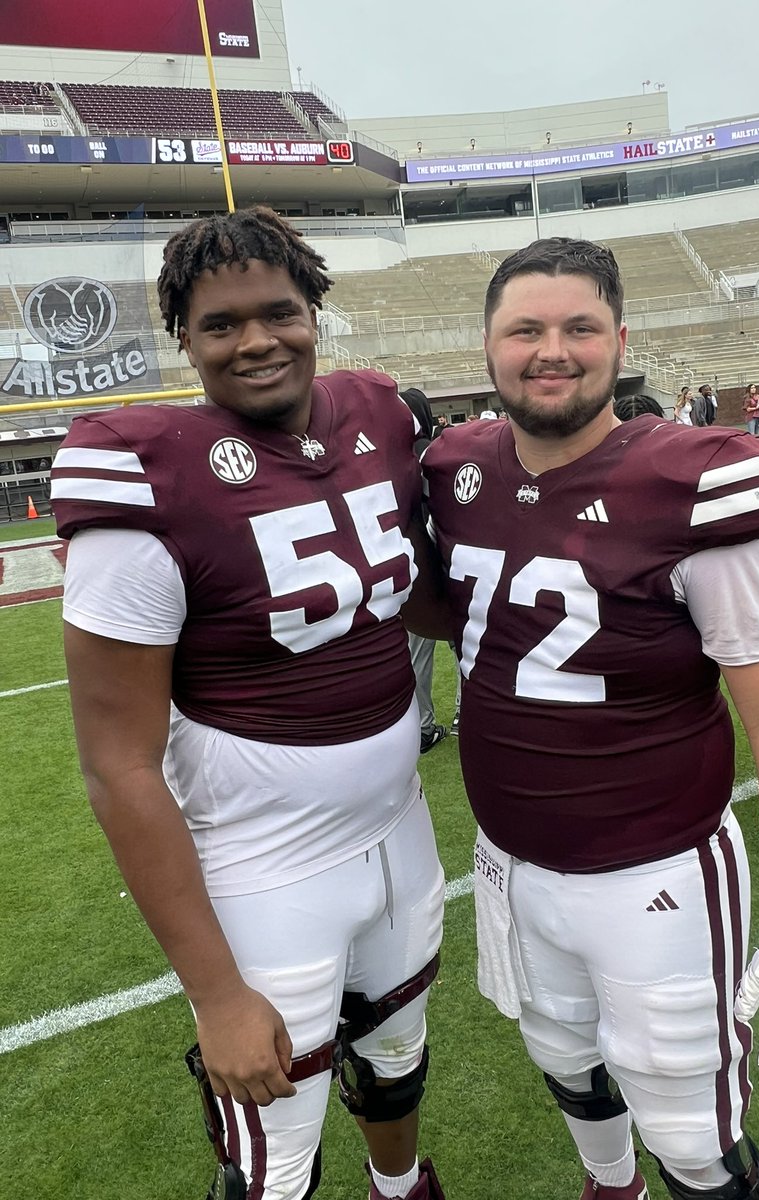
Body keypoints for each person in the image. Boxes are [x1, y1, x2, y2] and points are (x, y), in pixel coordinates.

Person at [423, 238, 759, 1200]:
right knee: (565, 1060)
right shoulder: (456, 468)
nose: (551, 350)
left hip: (657, 868)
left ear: (621, 339)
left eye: (579, 327)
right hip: (511, 860)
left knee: (692, 1137)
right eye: (524, 329)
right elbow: (456, 608)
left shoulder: (696, 479)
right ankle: (609, 1187)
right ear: (487, 348)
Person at [51, 208, 447, 1200]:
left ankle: (400, 1191)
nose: (257, 340)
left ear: (316, 312)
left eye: (280, 312)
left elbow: (432, 588)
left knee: (398, 1057)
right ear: (183, 339)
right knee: (272, 1158)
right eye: (221, 324)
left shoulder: (380, 414)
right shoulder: (141, 468)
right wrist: (216, 992)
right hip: (264, 863)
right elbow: (118, 763)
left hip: (398, 824)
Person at [401, 387, 450, 753]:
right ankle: (468, 714)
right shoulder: (438, 453)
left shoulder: (394, 455)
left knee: (417, 651)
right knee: (469, 643)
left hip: (416, 564)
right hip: (454, 558)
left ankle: (422, 724)